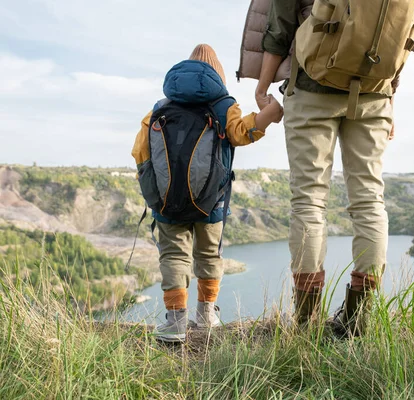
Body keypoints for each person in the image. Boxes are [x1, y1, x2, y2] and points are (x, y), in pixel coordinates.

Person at [255, 1, 399, 336]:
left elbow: (279, 29)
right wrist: (392, 102)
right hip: (375, 93)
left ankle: (306, 325)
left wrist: (262, 88)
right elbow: (394, 34)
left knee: (308, 201)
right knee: (369, 201)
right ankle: (357, 321)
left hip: (311, 88)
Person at [132, 44, 283, 343]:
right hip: (211, 202)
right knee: (209, 255)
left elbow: (140, 154)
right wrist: (271, 113)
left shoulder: (159, 109)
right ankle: (206, 316)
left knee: (174, 256)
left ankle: (175, 322)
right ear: (217, 74)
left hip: (167, 204)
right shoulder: (224, 105)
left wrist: (156, 196)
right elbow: (244, 132)